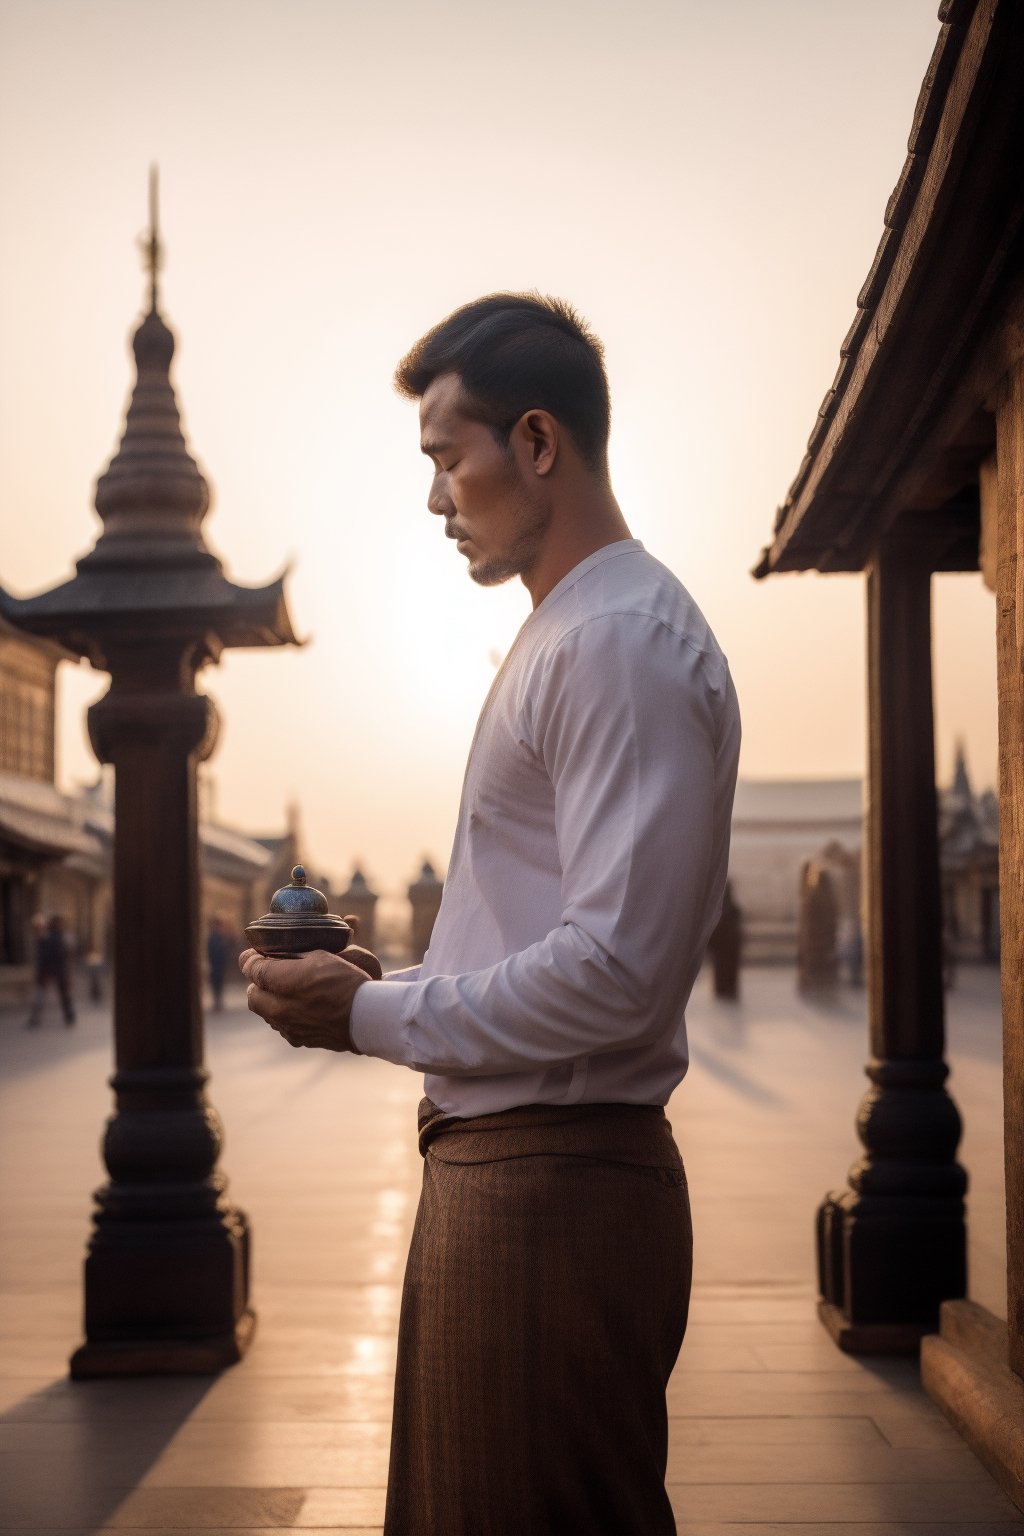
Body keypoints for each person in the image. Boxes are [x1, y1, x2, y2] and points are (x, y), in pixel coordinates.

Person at [242, 293, 741, 1535]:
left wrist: (369, 1013)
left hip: (554, 1193)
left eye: (444, 457)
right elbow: (549, 932)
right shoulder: (568, 632)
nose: (434, 497)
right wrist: (389, 981)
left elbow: (615, 971)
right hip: (514, 1182)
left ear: (534, 443)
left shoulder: (617, 638)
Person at [27, 913, 76, 1028]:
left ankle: (68, 1016)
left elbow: (62, 956)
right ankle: (68, 1016)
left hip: (54, 969)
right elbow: (48, 956)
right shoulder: (53, 937)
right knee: (47, 994)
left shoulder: (54, 937)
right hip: (55, 969)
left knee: (57, 994)